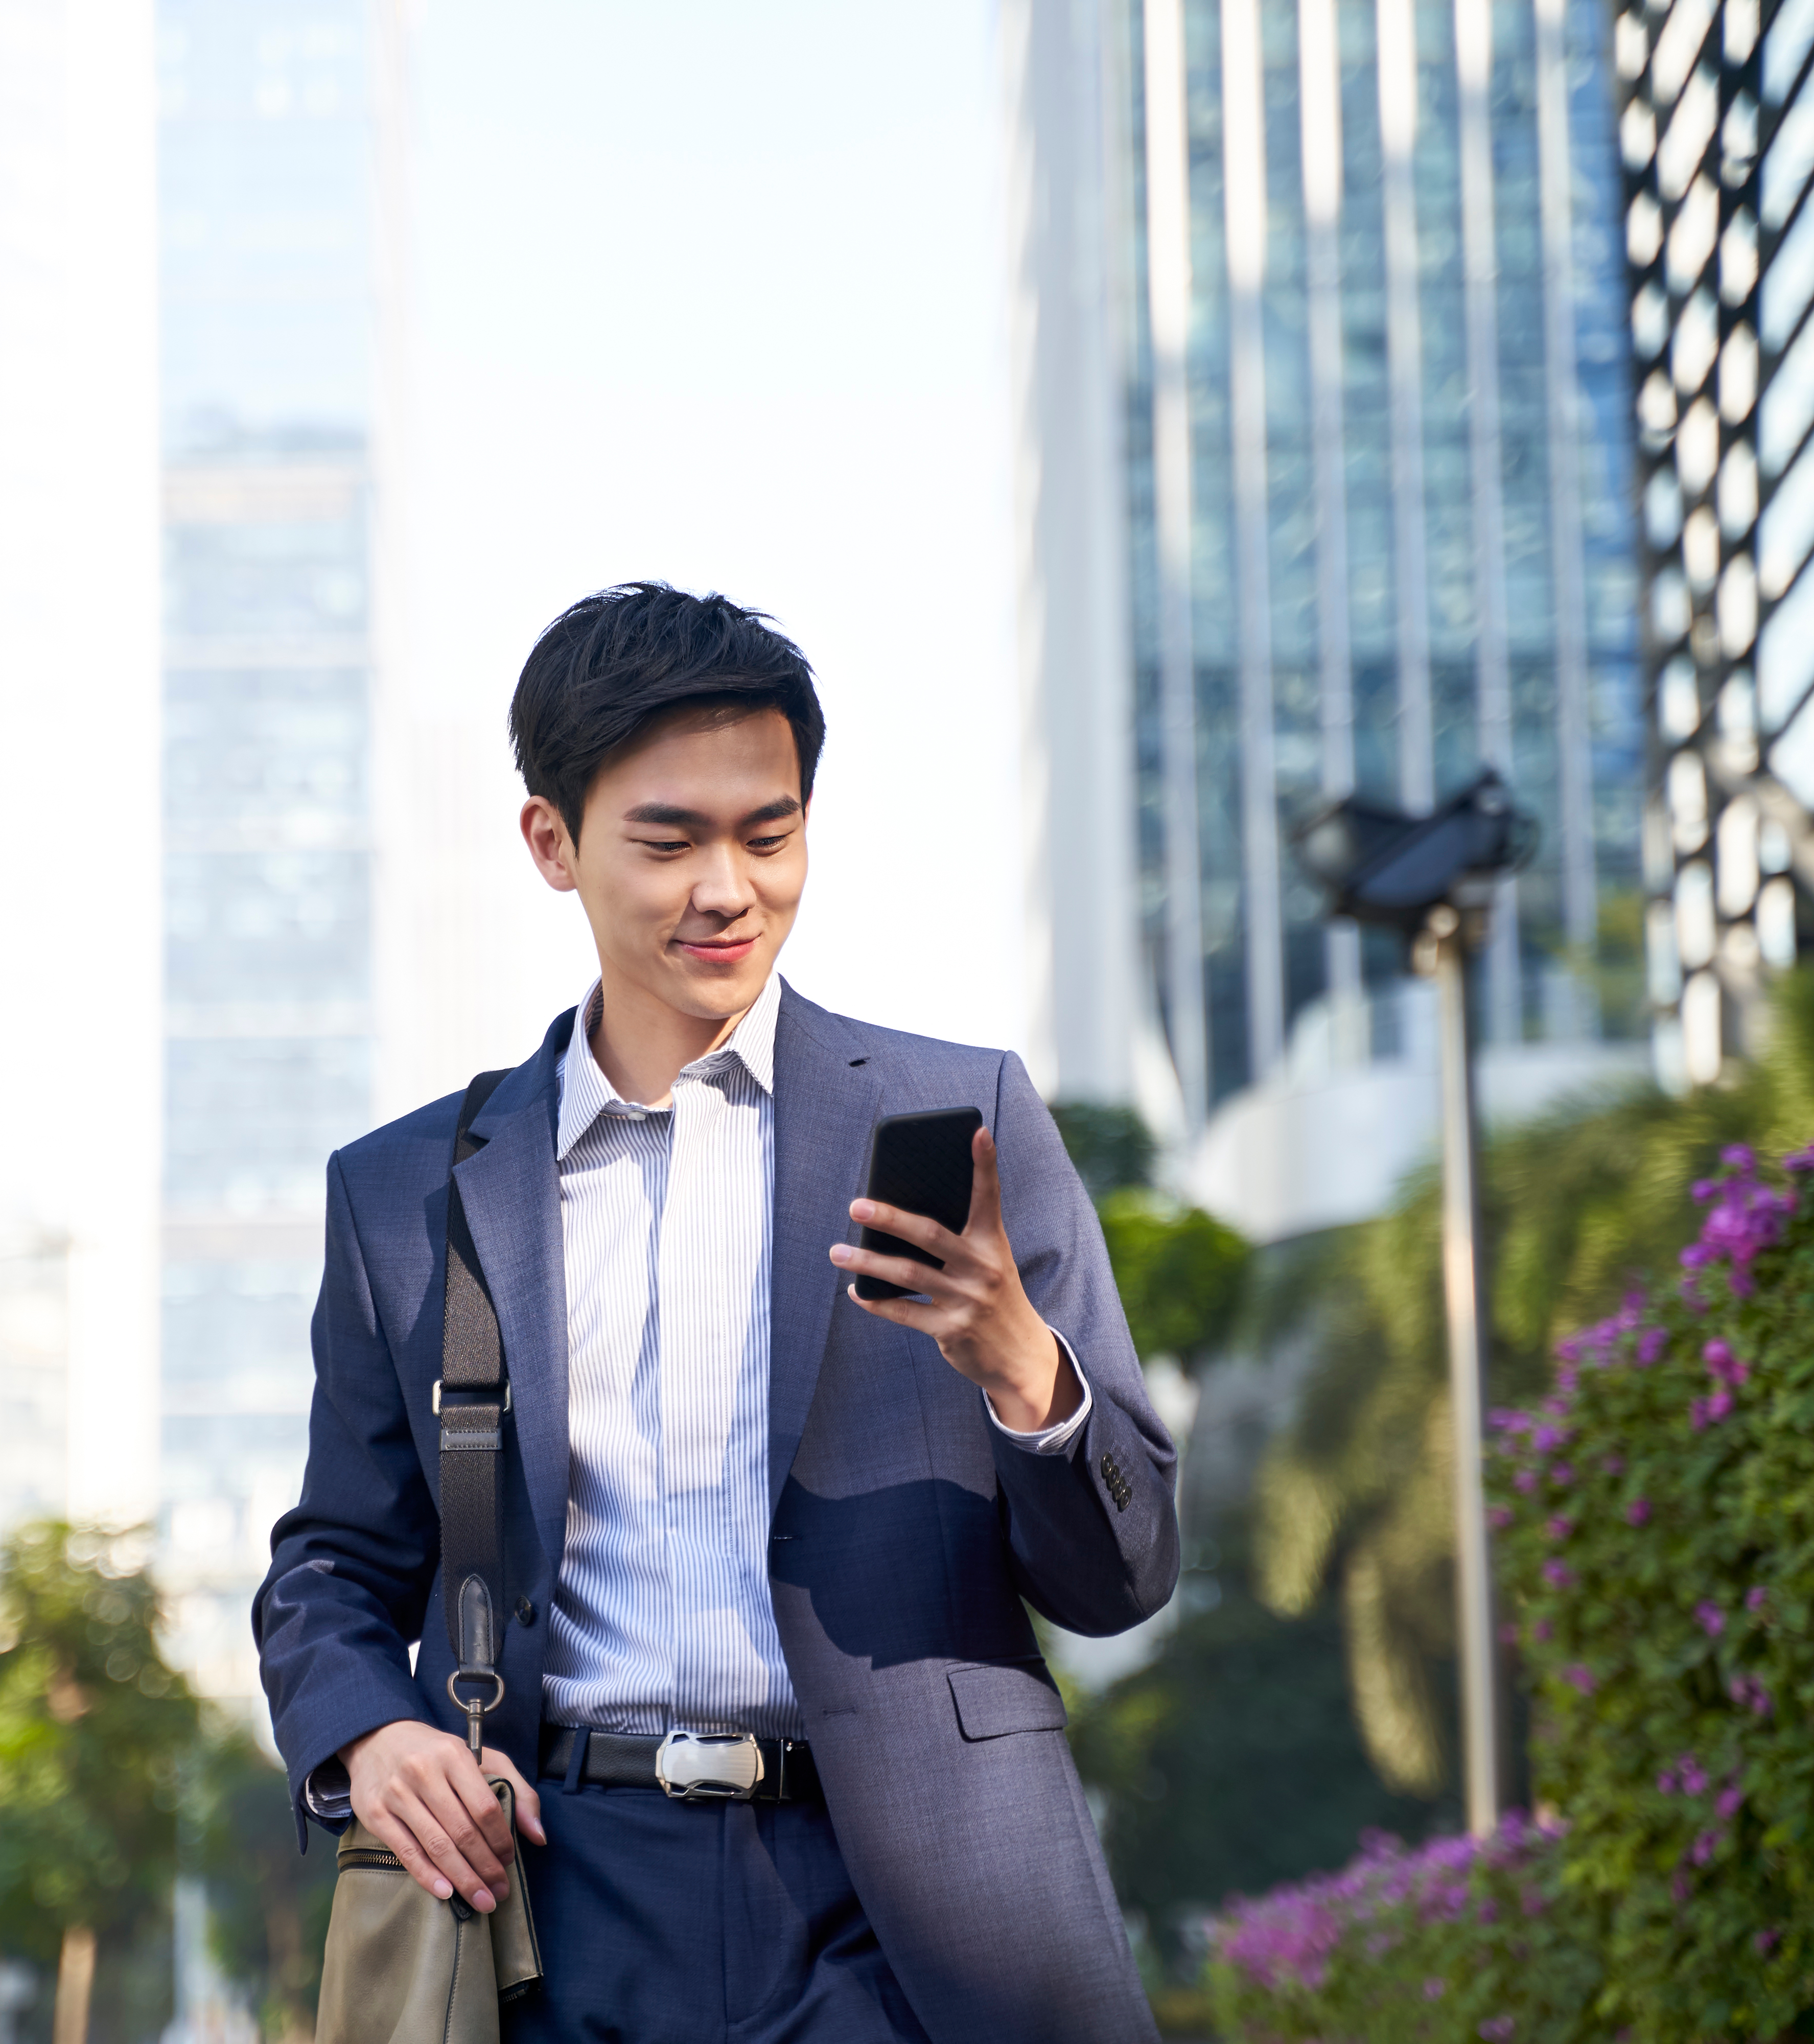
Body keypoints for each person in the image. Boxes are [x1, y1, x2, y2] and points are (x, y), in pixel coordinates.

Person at [254, 583, 1178, 2040]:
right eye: (668, 839)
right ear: (551, 843)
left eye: (771, 831)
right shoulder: (407, 1194)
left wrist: (1017, 1360)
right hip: (561, 1898)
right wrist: (368, 1731)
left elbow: (1123, 1579)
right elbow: (332, 1563)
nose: (728, 888)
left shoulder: (965, 1123)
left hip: (908, 1910)